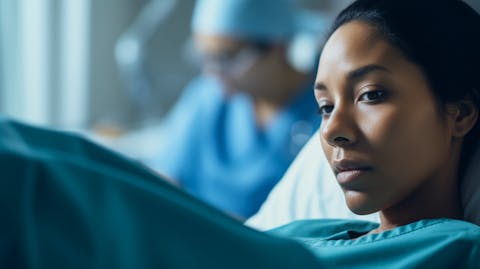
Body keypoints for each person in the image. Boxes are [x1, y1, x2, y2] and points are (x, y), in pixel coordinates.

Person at [2, 0, 480, 268]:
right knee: (31, 148)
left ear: (460, 113)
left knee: (30, 188)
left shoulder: (456, 250)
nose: (333, 130)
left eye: (371, 95)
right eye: (324, 106)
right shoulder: (311, 230)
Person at [146, 0, 327, 219]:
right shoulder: (205, 99)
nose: (212, 73)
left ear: (277, 45)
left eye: (226, 57)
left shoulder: (325, 108)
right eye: (204, 57)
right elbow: (165, 180)